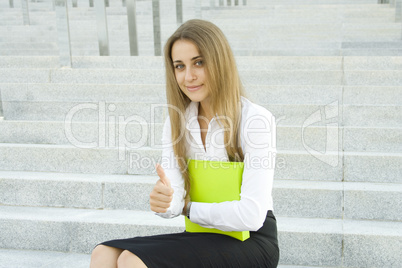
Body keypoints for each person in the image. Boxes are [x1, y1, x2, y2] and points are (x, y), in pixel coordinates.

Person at [90, 19, 279, 268]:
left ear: (220, 62)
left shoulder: (255, 120)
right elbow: (175, 202)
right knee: (104, 253)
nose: (188, 76)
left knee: (131, 260)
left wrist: (188, 208)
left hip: (252, 241)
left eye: (198, 63)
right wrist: (167, 200)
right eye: (179, 66)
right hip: (202, 235)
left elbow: (251, 216)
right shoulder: (177, 122)